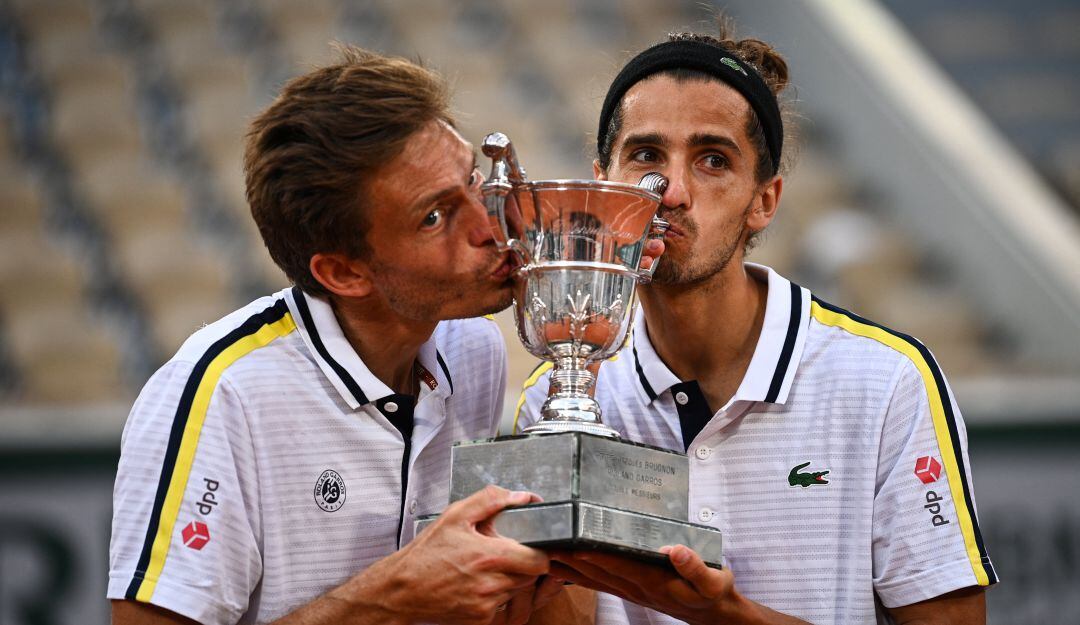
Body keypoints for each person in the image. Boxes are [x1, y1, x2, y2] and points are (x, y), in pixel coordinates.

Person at [516, 26, 997, 625]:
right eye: (646, 156)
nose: (673, 193)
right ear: (604, 182)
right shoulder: (558, 392)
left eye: (713, 160)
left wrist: (729, 616)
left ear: (764, 200)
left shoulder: (885, 381)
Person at [107, 45, 573, 625]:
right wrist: (389, 598)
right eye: (435, 216)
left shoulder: (471, 349)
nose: (488, 227)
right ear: (344, 273)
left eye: (473, 181)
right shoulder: (224, 394)